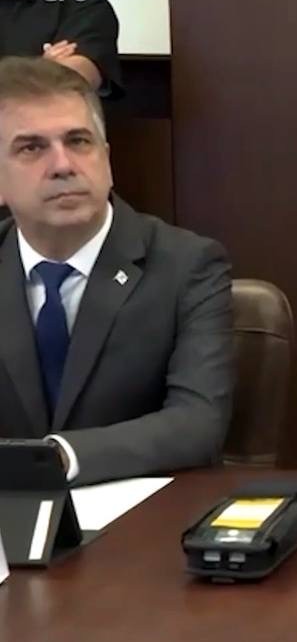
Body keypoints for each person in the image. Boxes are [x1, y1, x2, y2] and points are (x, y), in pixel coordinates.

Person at [0, 57, 232, 486]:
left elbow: (198, 423)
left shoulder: (187, 265)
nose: (63, 165)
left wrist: (59, 457)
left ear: (106, 158)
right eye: (32, 148)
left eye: (78, 141)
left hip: (143, 516)